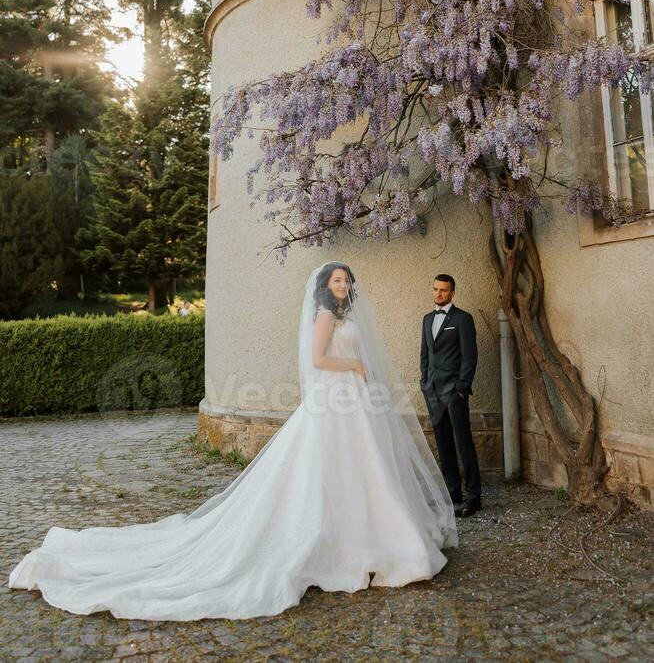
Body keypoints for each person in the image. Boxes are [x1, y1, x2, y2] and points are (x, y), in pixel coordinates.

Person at [7, 262, 458, 621]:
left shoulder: (347, 314)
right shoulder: (323, 314)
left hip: (354, 401)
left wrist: (364, 375)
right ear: (325, 286)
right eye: (336, 279)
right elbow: (319, 359)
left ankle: (376, 532)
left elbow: (353, 351)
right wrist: (355, 370)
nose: (342, 285)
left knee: (365, 467)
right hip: (333, 398)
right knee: (328, 467)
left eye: (346, 279)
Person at [420, 274, 482, 518]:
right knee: (444, 444)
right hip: (433, 392)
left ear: (452, 293)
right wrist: (424, 383)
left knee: (464, 443)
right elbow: (425, 355)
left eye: (444, 290)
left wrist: (461, 388)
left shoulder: (463, 319)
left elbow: (470, 356)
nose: (439, 294)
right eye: (435, 289)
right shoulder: (426, 320)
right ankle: (452, 491)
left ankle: (473, 497)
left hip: (454, 392)